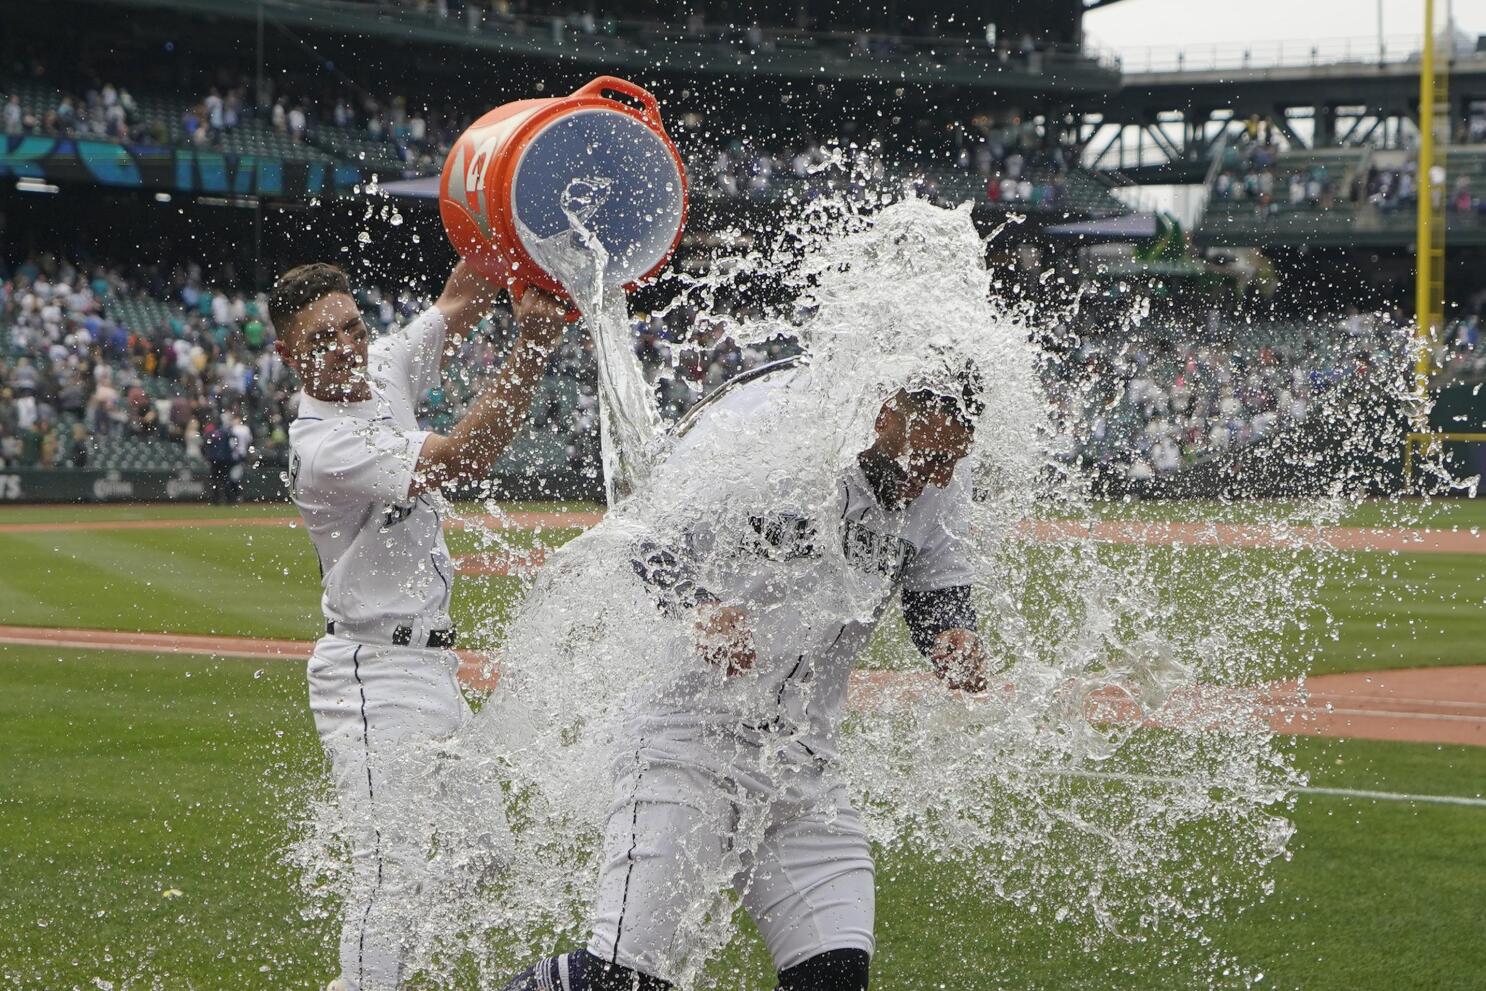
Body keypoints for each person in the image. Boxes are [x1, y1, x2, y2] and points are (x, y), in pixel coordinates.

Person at [499, 356, 991, 991]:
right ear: (887, 412)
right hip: (687, 740)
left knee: (834, 976)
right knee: (619, 979)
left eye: (954, 460)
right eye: (928, 458)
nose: (937, 479)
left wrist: (953, 638)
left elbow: (935, 584)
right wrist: (699, 608)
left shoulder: (943, 474)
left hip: (802, 759)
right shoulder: (771, 432)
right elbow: (649, 532)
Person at [271, 260, 566, 991]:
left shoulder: (379, 365)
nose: (343, 345)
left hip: (430, 666)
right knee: (387, 870)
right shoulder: (323, 446)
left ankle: (377, 971)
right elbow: (462, 458)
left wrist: (509, 211)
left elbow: (463, 294)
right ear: (287, 353)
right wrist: (530, 345)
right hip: (372, 673)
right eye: (320, 338)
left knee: (485, 852)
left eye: (349, 325)